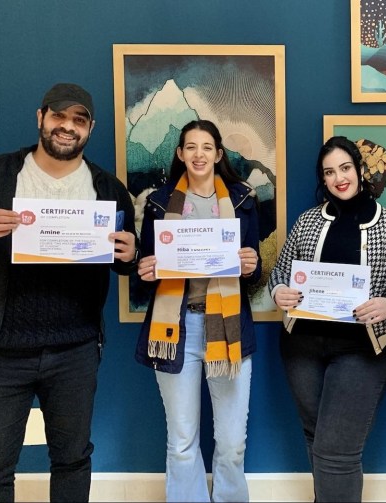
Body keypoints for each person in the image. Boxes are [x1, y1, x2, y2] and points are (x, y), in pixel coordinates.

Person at [0, 83, 138, 502]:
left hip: (74, 350)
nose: (67, 126)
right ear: (40, 118)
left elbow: (122, 261)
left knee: (72, 461)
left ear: (90, 128)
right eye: (59, 116)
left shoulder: (109, 189)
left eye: (79, 120)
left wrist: (131, 255)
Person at [267, 135, 386, 502]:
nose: (339, 178)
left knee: (337, 449)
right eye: (329, 172)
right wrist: (279, 291)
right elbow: (280, 272)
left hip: (361, 349)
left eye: (345, 168)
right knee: (316, 437)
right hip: (301, 346)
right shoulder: (307, 221)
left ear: (360, 170)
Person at [135, 119, 261, 502]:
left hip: (228, 326)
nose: (199, 154)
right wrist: (146, 269)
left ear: (218, 154)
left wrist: (252, 265)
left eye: (207, 147)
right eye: (191, 147)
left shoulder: (242, 200)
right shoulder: (159, 203)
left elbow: (253, 273)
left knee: (232, 442)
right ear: (180, 153)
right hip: (177, 328)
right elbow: (146, 274)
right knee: (181, 442)